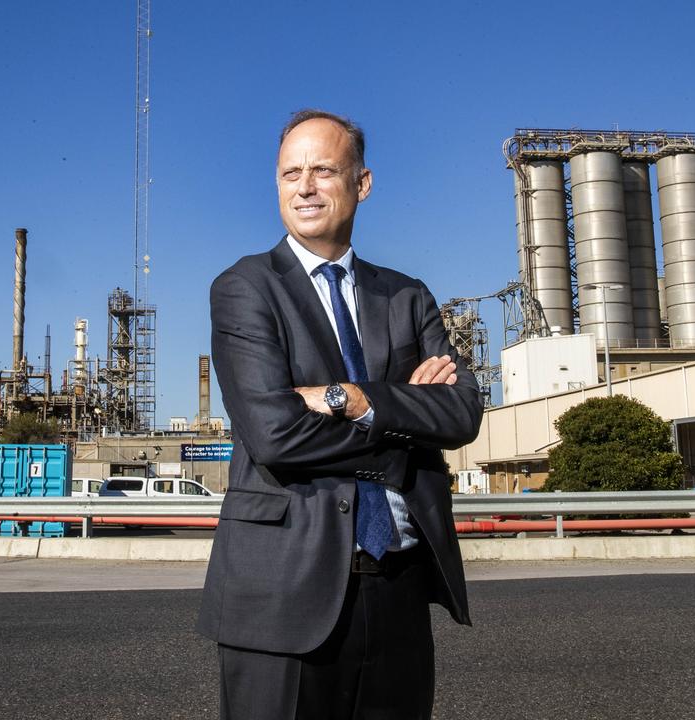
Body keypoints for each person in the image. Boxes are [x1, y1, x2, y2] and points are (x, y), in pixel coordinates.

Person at [196, 109, 484, 719]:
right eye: (290, 173)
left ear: (362, 182)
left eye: (323, 170)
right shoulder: (245, 288)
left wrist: (350, 398)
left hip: (400, 586)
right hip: (284, 592)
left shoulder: (406, 296)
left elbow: (460, 412)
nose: (304, 187)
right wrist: (406, 424)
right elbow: (274, 435)